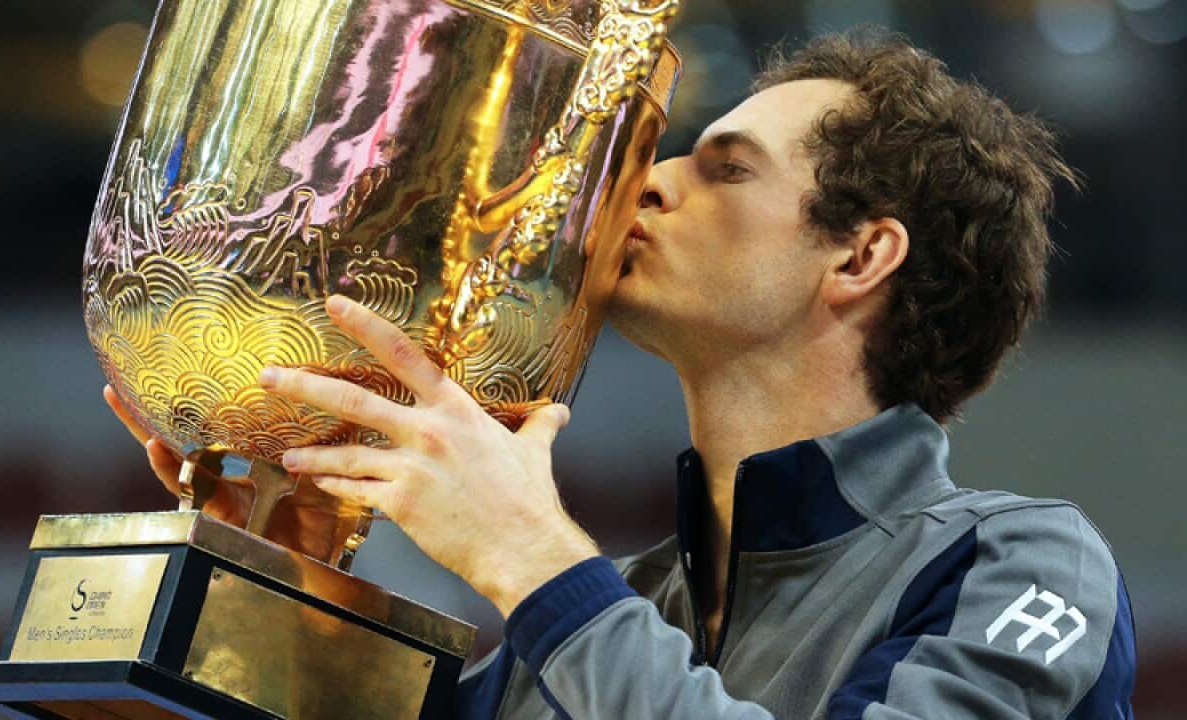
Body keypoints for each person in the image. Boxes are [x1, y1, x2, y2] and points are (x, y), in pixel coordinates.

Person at [107, 31, 1135, 718]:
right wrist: (282, 587)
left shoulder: (1017, 563)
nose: (642, 181)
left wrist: (535, 561)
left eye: (724, 169)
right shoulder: (617, 607)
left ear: (859, 257)